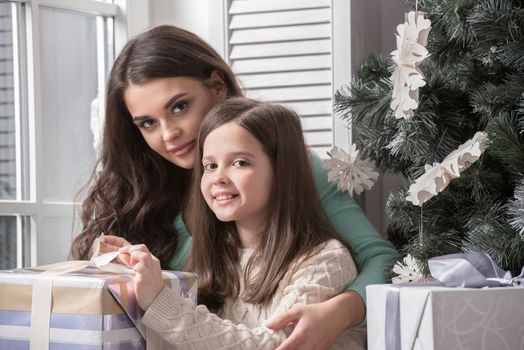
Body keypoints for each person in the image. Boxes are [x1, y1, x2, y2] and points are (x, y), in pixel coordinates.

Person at [70, 25, 399, 350]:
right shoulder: (138, 190)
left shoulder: (292, 172)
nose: (169, 134)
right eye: (148, 123)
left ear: (217, 87)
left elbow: (380, 258)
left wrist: (341, 312)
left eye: (179, 106)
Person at [118, 97, 363, 348]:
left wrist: (161, 302)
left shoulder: (326, 261)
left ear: (281, 171)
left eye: (240, 163)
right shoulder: (214, 257)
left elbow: (274, 345)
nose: (218, 178)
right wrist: (130, 269)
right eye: (210, 165)